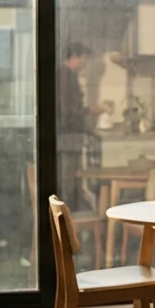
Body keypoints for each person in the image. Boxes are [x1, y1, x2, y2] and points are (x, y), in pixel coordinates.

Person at [58, 42, 104, 208]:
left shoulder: (63, 75)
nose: (84, 63)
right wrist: (90, 110)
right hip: (68, 136)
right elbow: (68, 110)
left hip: (69, 135)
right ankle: (70, 217)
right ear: (73, 57)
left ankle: (72, 215)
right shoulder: (66, 76)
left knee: (71, 178)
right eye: (83, 59)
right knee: (70, 179)